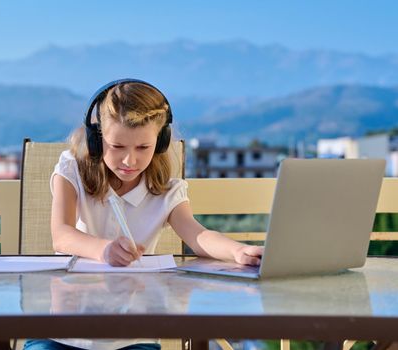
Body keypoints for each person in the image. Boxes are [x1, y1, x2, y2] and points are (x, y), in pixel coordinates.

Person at [24, 78, 263, 350]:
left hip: (134, 336)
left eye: (142, 148)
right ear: (96, 138)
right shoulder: (71, 170)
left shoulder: (166, 191)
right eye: (117, 147)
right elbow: (62, 235)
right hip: (63, 332)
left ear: (160, 143)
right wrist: (104, 250)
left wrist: (237, 252)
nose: (129, 160)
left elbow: (197, 235)